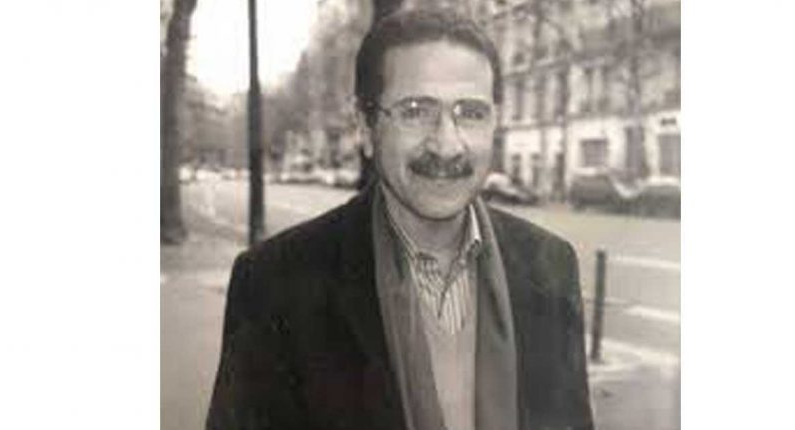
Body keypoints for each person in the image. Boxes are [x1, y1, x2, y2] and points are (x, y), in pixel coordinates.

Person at [207, 8, 594, 430]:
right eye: (415, 110)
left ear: (495, 124)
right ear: (366, 128)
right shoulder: (275, 284)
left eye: (471, 112)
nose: (447, 145)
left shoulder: (550, 267)